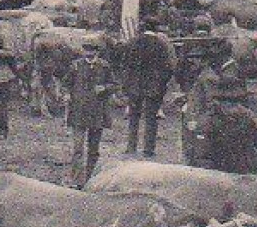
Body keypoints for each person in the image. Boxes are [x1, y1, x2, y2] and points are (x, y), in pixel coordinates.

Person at [120, 17, 176, 156]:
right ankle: (148, 149)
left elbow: (125, 65)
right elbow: (168, 68)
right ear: (156, 29)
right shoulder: (161, 45)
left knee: (134, 117)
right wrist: (162, 84)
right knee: (151, 118)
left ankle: (131, 147)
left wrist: (127, 84)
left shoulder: (132, 43)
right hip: (153, 87)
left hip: (135, 86)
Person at [66, 36, 114, 187]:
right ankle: (76, 180)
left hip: (97, 113)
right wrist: (66, 94)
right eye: (86, 49)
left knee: (94, 150)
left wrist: (105, 88)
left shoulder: (104, 67)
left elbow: (115, 84)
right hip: (79, 111)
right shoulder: (75, 66)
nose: (88, 53)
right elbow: (66, 83)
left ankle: (91, 180)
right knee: (77, 149)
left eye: (91, 50)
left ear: (97, 52)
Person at [201, 71, 257, 175]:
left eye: (237, 101)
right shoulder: (210, 121)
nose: (235, 106)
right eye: (229, 101)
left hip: (246, 170)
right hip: (219, 173)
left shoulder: (247, 117)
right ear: (218, 102)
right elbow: (203, 156)